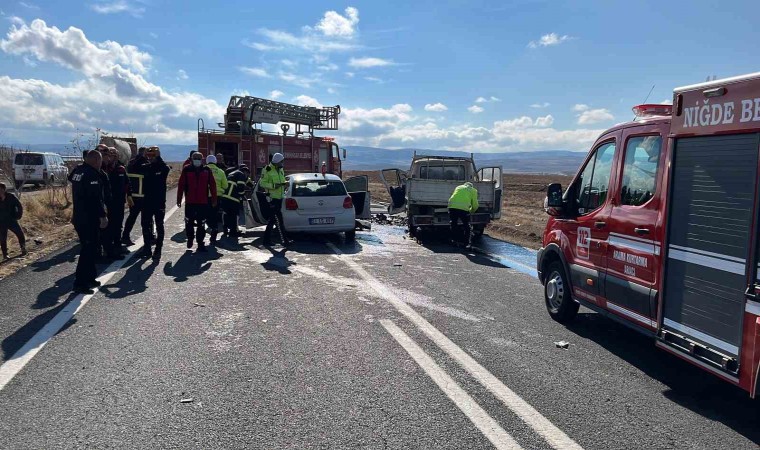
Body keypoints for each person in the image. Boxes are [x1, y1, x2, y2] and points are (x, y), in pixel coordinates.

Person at [70, 149, 108, 294]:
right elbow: (95, 199)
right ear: (95, 160)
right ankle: (80, 282)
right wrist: (103, 216)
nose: (101, 164)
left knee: (92, 248)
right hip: (88, 218)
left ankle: (90, 277)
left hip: (79, 217)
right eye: (99, 161)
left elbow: (71, 179)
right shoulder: (91, 174)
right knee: (87, 249)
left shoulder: (78, 170)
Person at [177, 152, 217, 252]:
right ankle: (190, 238)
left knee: (201, 224)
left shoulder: (207, 170)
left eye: (199, 158)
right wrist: (179, 199)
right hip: (190, 202)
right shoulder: (187, 169)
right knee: (189, 223)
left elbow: (212, 185)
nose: (197, 160)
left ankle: (200, 243)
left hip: (202, 203)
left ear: (202, 159)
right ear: (191, 159)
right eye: (195, 158)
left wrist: (214, 199)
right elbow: (181, 184)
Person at [138, 147, 170, 259]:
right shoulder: (145, 167)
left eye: (153, 156)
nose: (150, 158)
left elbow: (165, 168)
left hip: (159, 202)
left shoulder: (163, 168)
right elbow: (134, 166)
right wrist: (142, 156)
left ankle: (158, 249)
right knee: (145, 225)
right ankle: (147, 248)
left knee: (159, 225)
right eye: (149, 156)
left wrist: (158, 156)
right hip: (147, 202)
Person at [104, 146, 131, 259]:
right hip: (107, 202)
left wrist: (129, 196)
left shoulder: (121, 168)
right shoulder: (104, 169)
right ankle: (108, 250)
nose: (113, 156)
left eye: (115, 154)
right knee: (108, 226)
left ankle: (118, 246)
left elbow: (127, 183)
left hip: (119, 202)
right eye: (111, 154)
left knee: (118, 225)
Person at [259, 152, 291, 246]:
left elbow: (281, 181)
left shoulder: (280, 170)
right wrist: (274, 186)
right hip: (272, 199)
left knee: (274, 220)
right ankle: (284, 241)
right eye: (281, 161)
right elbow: (262, 183)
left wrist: (285, 183)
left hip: (279, 198)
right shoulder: (267, 169)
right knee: (277, 220)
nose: (282, 163)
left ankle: (267, 241)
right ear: (277, 161)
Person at [122, 147, 148, 246]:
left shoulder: (131, 162)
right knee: (146, 219)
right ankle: (149, 237)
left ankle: (125, 236)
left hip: (133, 194)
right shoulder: (144, 163)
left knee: (132, 217)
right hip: (143, 195)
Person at [220, 165, 252, 237]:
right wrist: (243, 195)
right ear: (245, 171)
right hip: (233, 198)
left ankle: (225, 229)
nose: (247, 176)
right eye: (247, 174)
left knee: (226, 213)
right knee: (234, 215)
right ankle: (233, 232)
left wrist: (252, 185)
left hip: (225, 197)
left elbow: (248, 182)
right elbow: (241, 187)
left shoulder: (233, 173)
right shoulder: (241, 174)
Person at [447, 181, 479, 249]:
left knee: (453, 224)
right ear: (471, 186)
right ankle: (466, 243)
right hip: (463, 209)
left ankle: (454, 240)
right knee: (466, 226)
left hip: (452, 207)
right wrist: (471, 211)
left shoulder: (458, 187)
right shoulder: (473, 190)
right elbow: (475, 205)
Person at [205, 154, 228, 244]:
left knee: (206, 214)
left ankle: (210, 227)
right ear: (215, 161)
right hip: (217, 197)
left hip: (205, 196)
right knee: (214, 214)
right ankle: (214, 228)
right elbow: (225, 186)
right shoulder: (221, 171)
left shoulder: (203, 170)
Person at [0, 182, 26, 260]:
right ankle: (5, 255)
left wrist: (18, 215)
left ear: (4, 189)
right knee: (2, 239)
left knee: (20, 234)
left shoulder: (11, 197)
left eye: (1, 189)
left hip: (11, 220)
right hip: (1, 222)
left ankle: (23, 249)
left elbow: (19, 206)